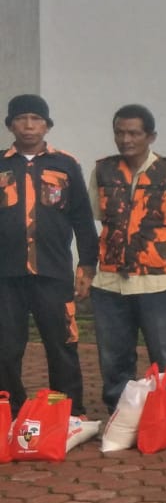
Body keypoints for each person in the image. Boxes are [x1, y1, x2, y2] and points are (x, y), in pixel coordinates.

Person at [88, 105, 166, 432]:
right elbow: (96, 214)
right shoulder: (103, 170)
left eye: (134, 133)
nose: (126, 139)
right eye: (120, 132)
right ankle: (123, 417)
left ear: (150, 136)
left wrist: (153, 248)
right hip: (109, 282)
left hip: (157, 283)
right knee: (114, 357)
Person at [0, 94, 97, 415]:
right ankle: (9, 411)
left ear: (47, 125)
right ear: (10, 124)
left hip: (53, 273)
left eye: (36, 119)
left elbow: (82, 218)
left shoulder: (65, 164)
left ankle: (68, 413)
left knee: (62, 344)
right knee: (6, 348)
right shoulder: (1, 163)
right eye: (21, 118)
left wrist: (86, 265)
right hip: (6, 276)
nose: (29, 125)